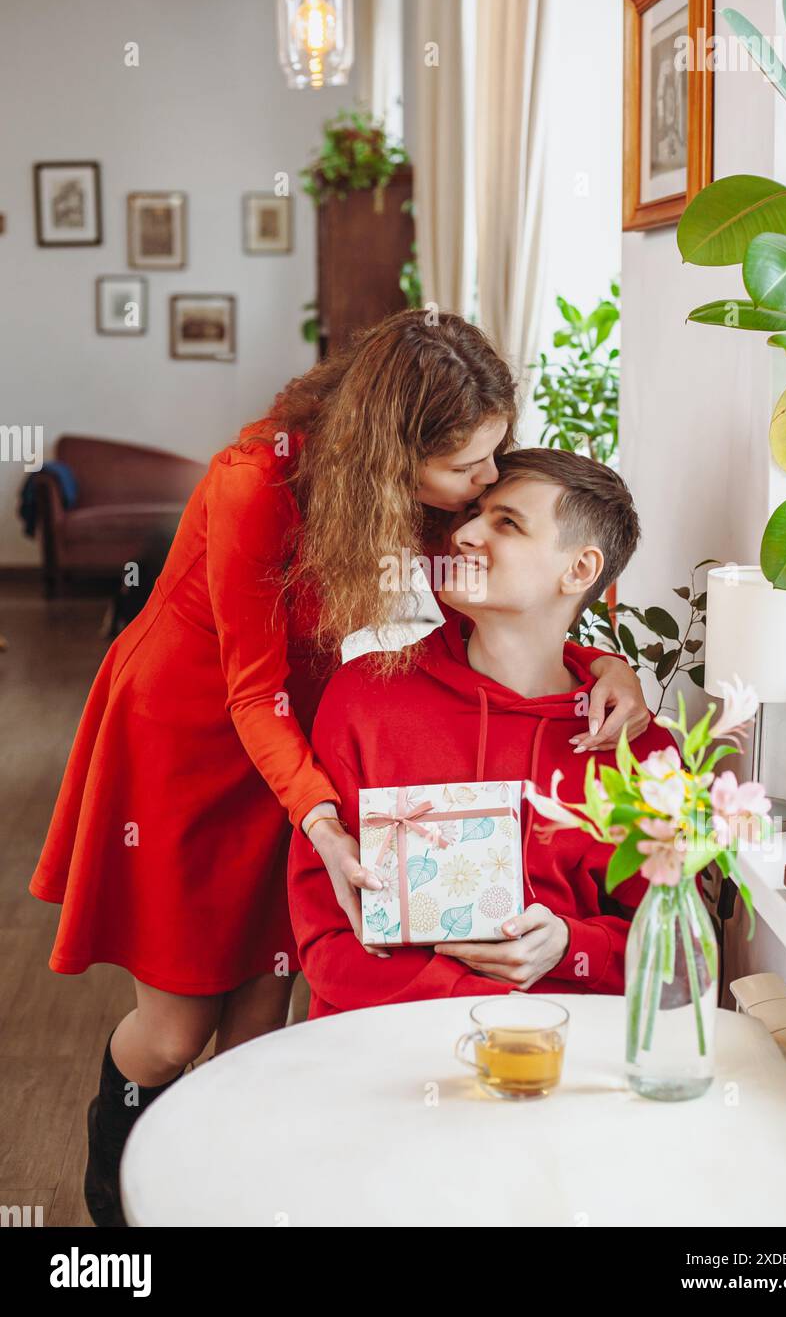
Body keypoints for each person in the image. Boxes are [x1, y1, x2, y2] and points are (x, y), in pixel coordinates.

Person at [28, 312, 649, 1225]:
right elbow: (249, 693)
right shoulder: (253, 485)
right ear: (396, 445)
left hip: (299, 738)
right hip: (190, 733)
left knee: (255, 1028)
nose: (483, 486)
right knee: (172, 1034)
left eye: (495, 459)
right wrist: (322, 823)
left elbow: (512, 598)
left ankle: (216, 1197)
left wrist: (606, 662)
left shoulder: (420, 490)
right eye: (470, 468)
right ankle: (114, 1185)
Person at [289, 448, 685, 1017]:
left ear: (578, 570)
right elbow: (326, 943)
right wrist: (489, 1004)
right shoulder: (364, 697)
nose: (466, 533)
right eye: (472, 513)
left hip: (562, 1064)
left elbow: (679, 956)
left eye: (507, 523)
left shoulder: (639, 750)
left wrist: (572, 948)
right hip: (381, 1057)